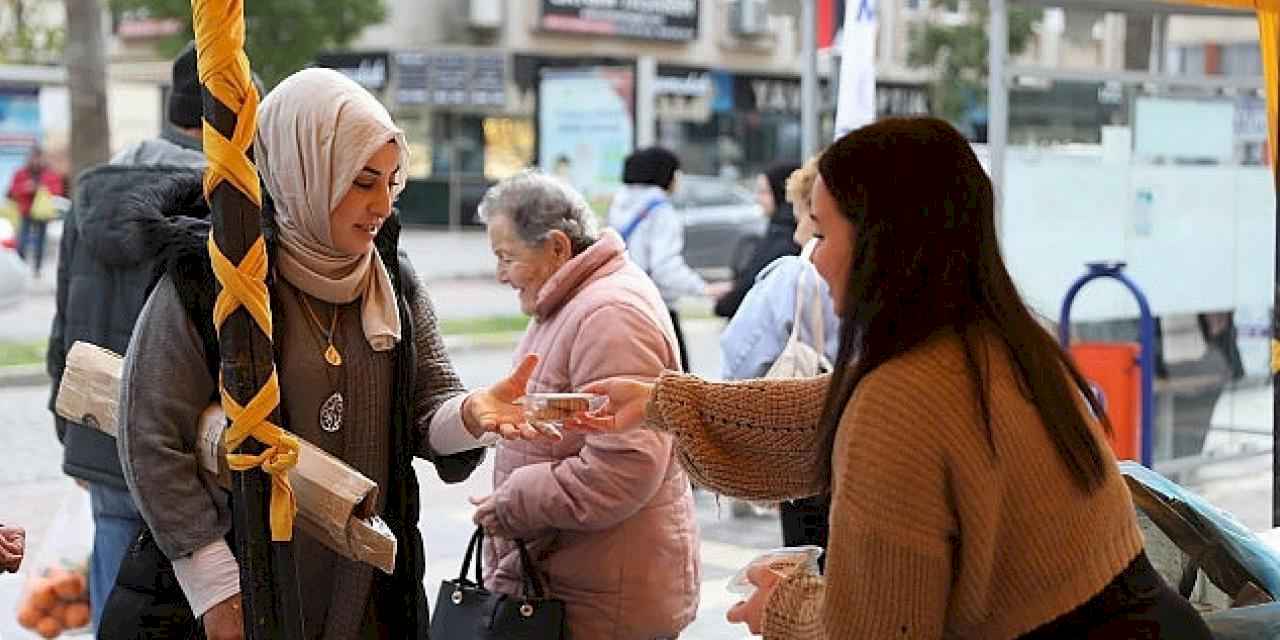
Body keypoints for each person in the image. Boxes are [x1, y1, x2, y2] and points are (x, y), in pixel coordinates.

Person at [570, 118, 1213, 639]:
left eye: (820, 233)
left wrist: (787, 611)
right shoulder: (998, 341)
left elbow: (883, 630)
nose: (811, 258)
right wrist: (665, 401)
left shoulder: (905, 395)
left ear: (884, 242)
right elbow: (825, 409)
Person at [113, 68, 545, 639]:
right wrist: (214, 583)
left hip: (363, 594)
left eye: (392, 183)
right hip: (235, 592)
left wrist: (471, 416)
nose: (381, 206)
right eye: (362, 181)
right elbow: (149, 432)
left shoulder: (392, 280)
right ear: (304, 171)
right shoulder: (217, 279)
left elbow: (426, 406)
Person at [470, 171, 700, 638]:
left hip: (606, 600)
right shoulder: (571, 300)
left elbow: (624, 467)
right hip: (584, 585)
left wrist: (516, 501)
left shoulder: (608, 315)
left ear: (557, 246)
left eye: (507, 257)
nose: (500, 275)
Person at [45, 40, 208, 632]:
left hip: (102, 435)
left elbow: (63, 331)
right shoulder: (221, 206)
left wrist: (71, 430)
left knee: (119, 613)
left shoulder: (92, 194)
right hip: (190, 452)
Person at [719, 157, 840, 551]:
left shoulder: (793, 275)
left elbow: (741, 361)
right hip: (861, 453)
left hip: (805, 445)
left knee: (808, 556)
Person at [608, 146, 730, 370]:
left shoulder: (618, 206)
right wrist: (703, 288)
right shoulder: (661, 211)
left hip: (620, 305)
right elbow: (664, 267)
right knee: (676, 388)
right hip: (656, 310)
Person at [713, 162, 802, 319]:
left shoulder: (784, 236)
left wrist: (726, 304)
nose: (757, 198)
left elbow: (754, 282)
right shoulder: (780, 228)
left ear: (781, 192)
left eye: (764, 192)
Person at [6, 145, 65, 277]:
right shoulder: (20, 173)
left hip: (42, 213)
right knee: (22, 240)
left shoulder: (50, 174)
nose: (36, 161)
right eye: (33, 157)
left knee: (41, 241)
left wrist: (43, 189)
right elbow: (12, 191)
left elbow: (57, 191)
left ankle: (37, 268)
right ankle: (20, 266)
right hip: (25, 210)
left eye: (38, 157)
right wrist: (26, 188)